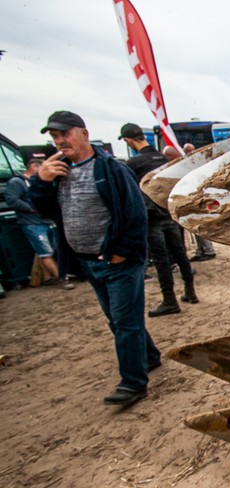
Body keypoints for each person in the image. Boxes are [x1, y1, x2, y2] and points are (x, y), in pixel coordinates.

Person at [30, 111, 161, 406]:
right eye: (55, 137)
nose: (60, 142)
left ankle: (133, 383)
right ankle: (149, 357)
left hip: (118, 262)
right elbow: (44, 211)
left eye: (65, 135)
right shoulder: (58, 171)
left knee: (125, 323)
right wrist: (40, 183)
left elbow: (136, 213)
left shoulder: (111, 168)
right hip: (88, 260)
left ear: (84, 134)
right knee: (118, 320)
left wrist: (121, 253)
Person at [119, 123, 199, 316]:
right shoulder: (162, 158)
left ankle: (169, 300)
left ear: (128, 140)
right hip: (168, 213)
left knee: (162, 260)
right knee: (180, 255)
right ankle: (190, 292)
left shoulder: (134, 163)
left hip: (152, 218)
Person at [5, 158, 75, 289]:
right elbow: (11, 200)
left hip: (46, 221)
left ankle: (47, 277)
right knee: (45, 252)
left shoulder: (37, 183)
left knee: (48, 251)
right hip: (31, 223)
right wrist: (33, 208)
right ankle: (62, 279)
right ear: (33, 167)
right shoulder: (17, 182)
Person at [180, 143, 217, 262]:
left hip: (199, 199)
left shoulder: (199, 164)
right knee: (196, 226)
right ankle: (201, 250)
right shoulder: (194, 163)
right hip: (194, 199)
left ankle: (207, 250)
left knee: (200, 225)